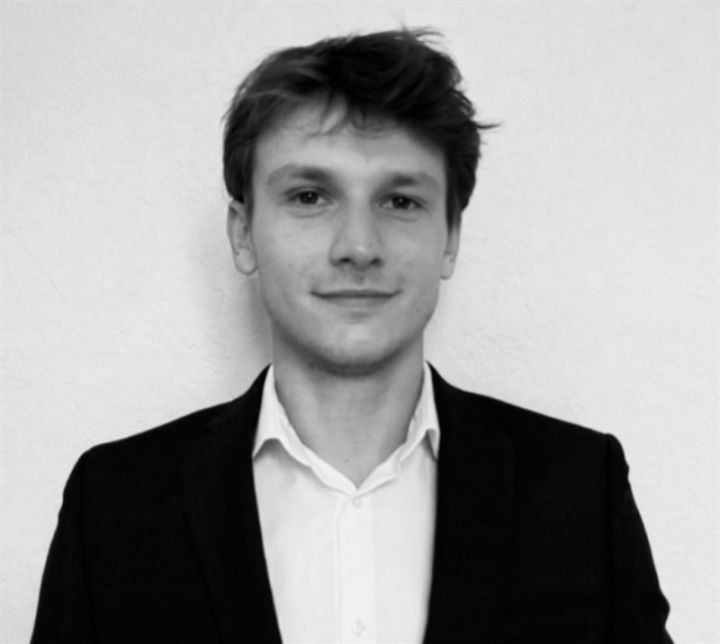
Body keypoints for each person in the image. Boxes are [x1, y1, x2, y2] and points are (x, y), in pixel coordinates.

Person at [31, 29, 672, 643]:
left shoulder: (580, 489)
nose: (359, 246)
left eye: (400, 201)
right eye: (310, 196)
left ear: (450, 237)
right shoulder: (114, 503)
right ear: (242, 234)